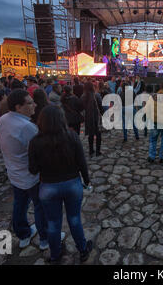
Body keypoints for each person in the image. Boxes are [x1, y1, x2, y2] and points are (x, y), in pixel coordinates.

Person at [29, 105, 93, 264]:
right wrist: (86, 180)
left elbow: (33, 169)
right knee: (74, 219)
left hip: (48, 186)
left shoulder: (35, 142)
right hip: (72, 184)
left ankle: (55, 254)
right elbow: (81, 162)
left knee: (53, 223)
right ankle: (83, 249)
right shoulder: (72, 136)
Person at [0, 89, 48, 249]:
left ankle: (23, 234)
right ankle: (45, 239)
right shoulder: (27, 127)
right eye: (30, 102)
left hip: (14, 172)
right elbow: (40, 153)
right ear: (18, 107)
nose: (35, 105)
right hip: (31, 175)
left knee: (20, 205)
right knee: (40, 207)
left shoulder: (3, 119)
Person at [81, 81, 102, 157]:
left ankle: (91, 150)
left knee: (91, 134)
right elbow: (100, 105)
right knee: (98, 134)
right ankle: (98, 151)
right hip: (96, 117)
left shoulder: (83, 96)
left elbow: (81, 107)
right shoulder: (96, 95)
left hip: (88, 117)